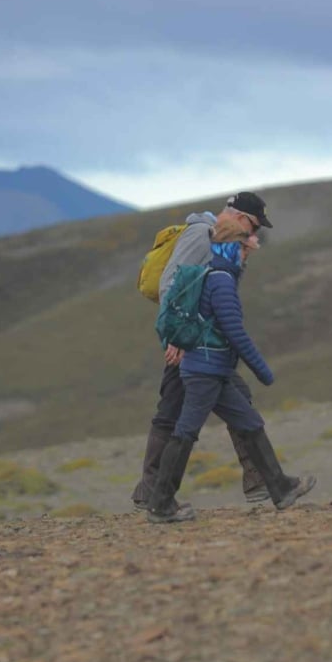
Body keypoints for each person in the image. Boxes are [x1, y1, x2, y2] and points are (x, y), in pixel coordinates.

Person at [146, 221, 315, 524]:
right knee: (185, 431)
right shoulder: (221, 280)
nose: (246, 256)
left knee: (249, 422)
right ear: (232, 247)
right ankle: (160, 503)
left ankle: (280, 487)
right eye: (244, 249)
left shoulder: (212, 274)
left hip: (212, 368)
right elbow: (234, 331)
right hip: (205, 370)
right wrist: (263, 371)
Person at [130, 192, 274, 511]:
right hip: (191, 342)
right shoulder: (201, 234)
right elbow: (172, 284)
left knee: (182, 408)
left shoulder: (223, 241)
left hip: (200, 342)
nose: (253, 234)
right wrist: (176, 337)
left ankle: (152, 491)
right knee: (185, 413)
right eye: (253, 225)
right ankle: (262, 481)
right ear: (238, 216)